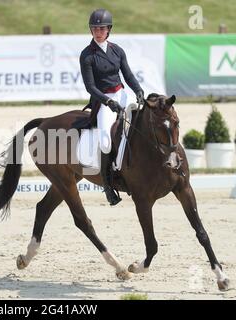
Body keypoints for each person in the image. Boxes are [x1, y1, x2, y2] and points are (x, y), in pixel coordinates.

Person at [80, 8, 145, 206]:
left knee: (139, 128)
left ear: (109, 29)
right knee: (106, 142)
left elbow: (128, 75)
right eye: (94, 28)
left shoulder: (117, 50)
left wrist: (139, 90)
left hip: (121, 94)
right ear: (91, 30)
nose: (98, 32)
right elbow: (90, 87)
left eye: (102, 28)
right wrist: (108, 102)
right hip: (103, 100)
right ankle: (108, 187)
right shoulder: (87, 55)